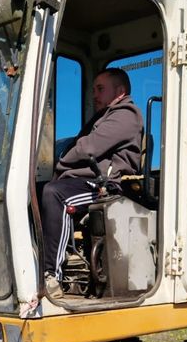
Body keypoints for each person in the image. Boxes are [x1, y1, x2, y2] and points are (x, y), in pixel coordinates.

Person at [40, 67, 143, 298]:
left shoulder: (127, 114)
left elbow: (89, 148)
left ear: (120, 91)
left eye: (100, 89)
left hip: (107, 186)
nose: (94, 95)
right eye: (93, 89)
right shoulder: (104, 117)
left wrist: (60, 160)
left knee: (56, 194)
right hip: (87, 181)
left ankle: (51, 276)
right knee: (34, 192)